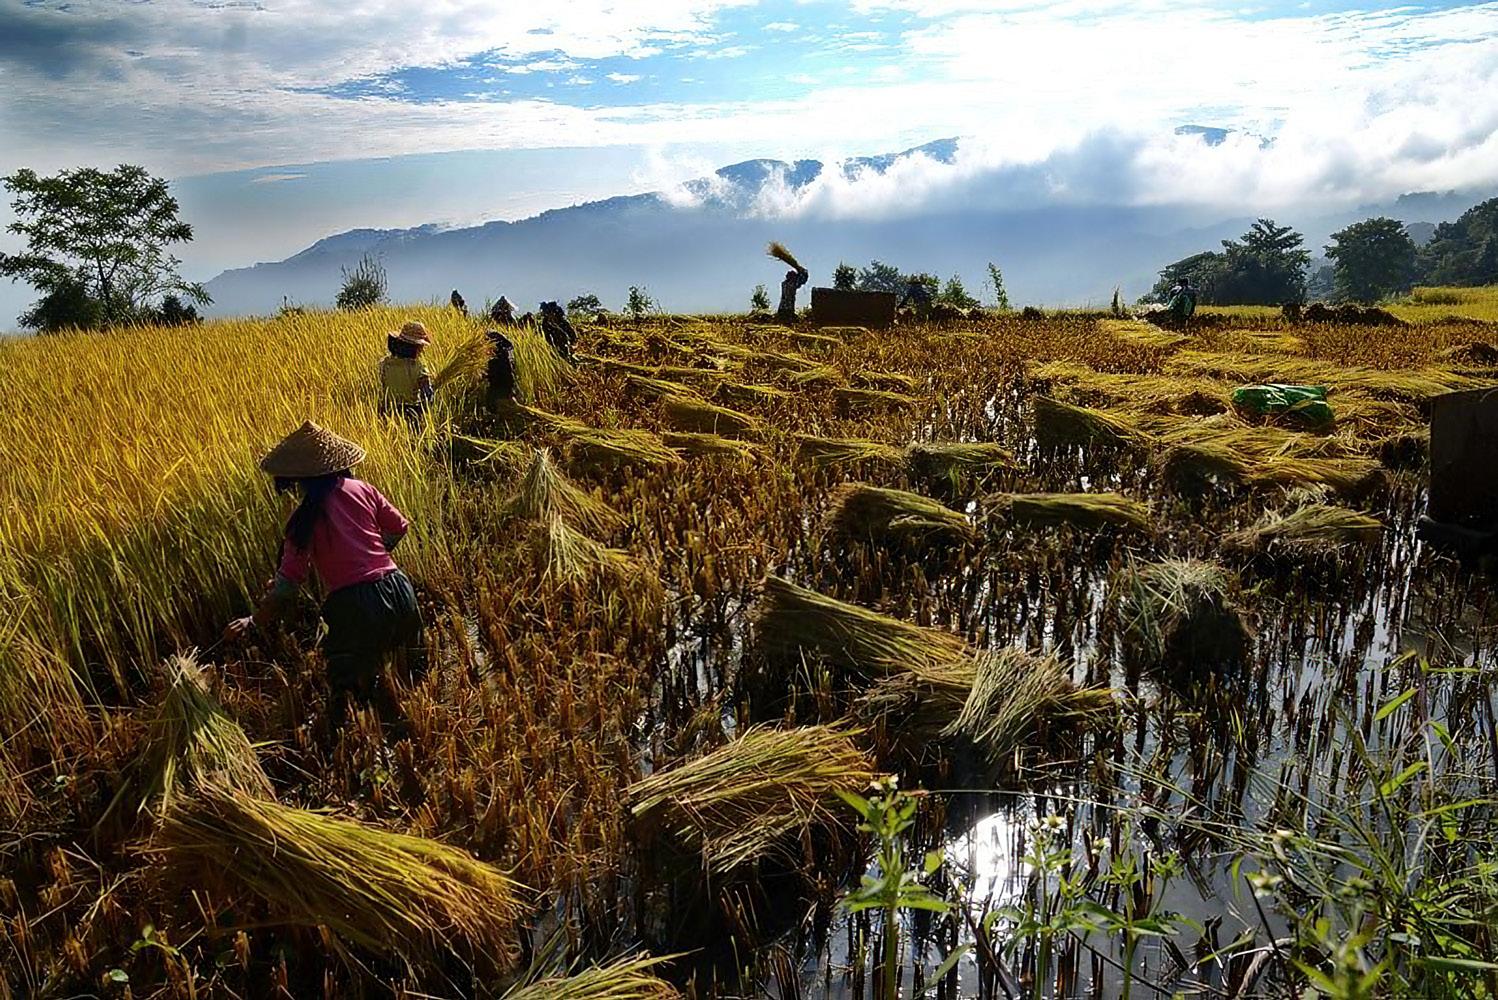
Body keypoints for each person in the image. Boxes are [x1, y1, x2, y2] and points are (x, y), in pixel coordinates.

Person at [224, 421, 425, 732]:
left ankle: (359, 745)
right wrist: (373, 556)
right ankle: (410, 738)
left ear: (298, 479)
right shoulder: (364, 490)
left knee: (348, 695)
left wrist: (253, 621)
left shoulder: (302, 519)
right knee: (412, 679)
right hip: (400, 589)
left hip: (355, 607)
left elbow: (287, 588)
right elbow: (400, 527)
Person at [378, 321, 434, 421]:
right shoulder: (419, 368)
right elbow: (428, 395)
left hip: (388, 413)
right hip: (411, 415)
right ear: (416, 347)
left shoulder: (384, 364)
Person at [485, 328, 518, 409]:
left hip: (501, 388)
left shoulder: (498, 357)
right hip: (504, 386)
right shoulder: (505, 352)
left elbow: (495, 373)